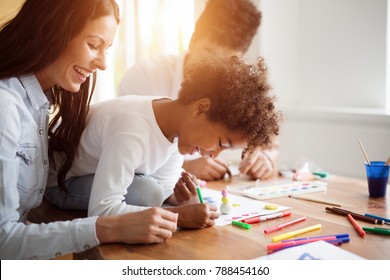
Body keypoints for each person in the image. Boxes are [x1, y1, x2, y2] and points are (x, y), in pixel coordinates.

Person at [0, 0, 180, 260]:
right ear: (53, 30)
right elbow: (4, 241)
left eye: (106, 49)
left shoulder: (39, 105)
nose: (103, 64)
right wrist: (106, 227)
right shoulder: (6, 107)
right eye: (93, 45)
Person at [46, 55, 281, 228]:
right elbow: (103, 209)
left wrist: (181, 201)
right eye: (220, 142)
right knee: (147, 194)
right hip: (59, 183)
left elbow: (164, 188)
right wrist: (180, 217)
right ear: (201, 108)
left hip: (93, 175)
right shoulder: (132, 129)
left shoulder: (175, 126)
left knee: (154, 192)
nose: (214, 154)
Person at [118, 0, 278, 181]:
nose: (212, 68)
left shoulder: (235, 91)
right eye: (208, 53)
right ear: (193, 40)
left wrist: (265, 157)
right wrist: (184, 166)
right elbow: (125, 150)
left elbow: (269, 138)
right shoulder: (145, 75)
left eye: (226, 62)